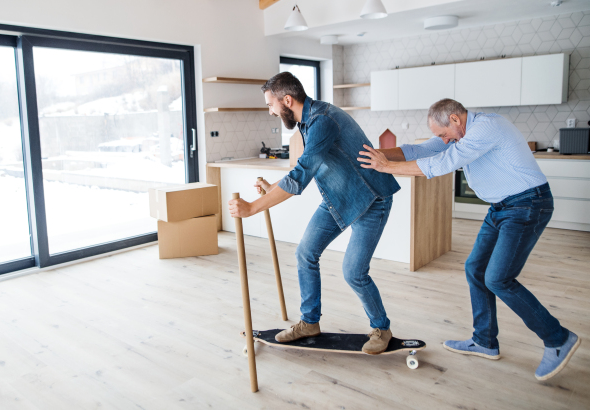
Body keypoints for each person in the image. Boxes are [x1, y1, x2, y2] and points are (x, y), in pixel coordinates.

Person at [357, 98, 580, 380]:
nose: (442, 139)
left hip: (527, 204)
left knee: (498, 278)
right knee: (475, 268)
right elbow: (420, 149)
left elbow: (443, 162)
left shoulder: (486, 127)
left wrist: (385, 167)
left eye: (443, 133)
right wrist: (373, 154)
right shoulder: (456, 134)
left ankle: (558, 338)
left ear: (455, 120)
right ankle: (484, 341)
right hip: (501, 208)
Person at [228, 72, 401, 354]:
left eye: (270, 105)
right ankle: (309, 322)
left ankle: (381, 327)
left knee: (354, 272)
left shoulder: (323, 121)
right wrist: (273, 188)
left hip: (371, 199)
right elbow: (308, 168)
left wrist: (252, 209)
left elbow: (300, 176)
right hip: (338, 198)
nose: (270, 111)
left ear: (287, 100)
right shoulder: (306, 122)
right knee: (305, 253)